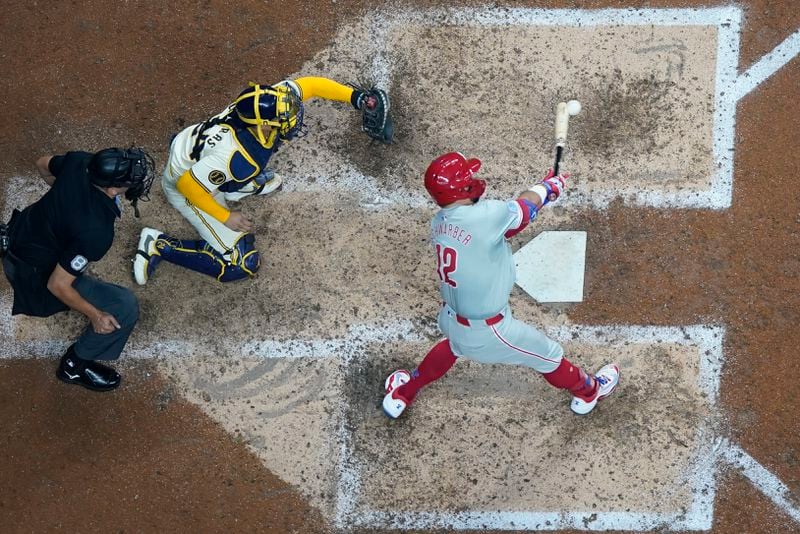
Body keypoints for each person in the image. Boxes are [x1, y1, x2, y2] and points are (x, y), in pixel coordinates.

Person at [382, 152, 620, 418]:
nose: (473, 178)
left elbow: (506, 228)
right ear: (461, 188)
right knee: (550, 356)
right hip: (489, 331)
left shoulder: (439, 222)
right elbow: (525, 209)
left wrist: (541, 194)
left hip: (450, 316)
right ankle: (589, 392)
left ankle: (403, 392)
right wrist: (548, 187)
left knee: (453, 345)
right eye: (467, 177)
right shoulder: (485, 217)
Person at [133, 78, 392, 284]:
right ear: (262, 125)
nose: (292, 117)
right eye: (284, 118)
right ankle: (157, 245)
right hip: (187, 183)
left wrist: (356, 98)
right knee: (241, 264)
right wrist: (225, 217)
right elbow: (187, 186)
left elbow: (310, 85)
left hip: (194, 148)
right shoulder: (235, 155)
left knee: (247, 170)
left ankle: (238, 186)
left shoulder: (268, 103)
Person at [1, 147, 155, 391]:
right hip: (34, 274)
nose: (136, 179)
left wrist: (64, 202)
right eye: (130, 179)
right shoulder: (97, 232)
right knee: (124, 306)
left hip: (22, 230)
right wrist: (96, 316)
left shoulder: (81, 162)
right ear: (112, 189)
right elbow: (57, 284)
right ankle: (74, 366)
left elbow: (42, 163)